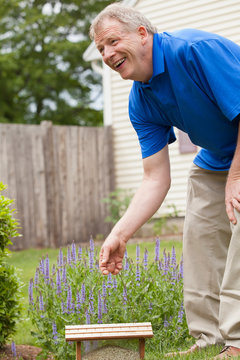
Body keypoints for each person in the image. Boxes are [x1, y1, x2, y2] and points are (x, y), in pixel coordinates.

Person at [89, 3, 240, 359]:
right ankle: (208, 340)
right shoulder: (141, 100)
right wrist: (120, 233)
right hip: (215, 159)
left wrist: (237, 176)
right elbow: (155, 177)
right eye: (101, 49)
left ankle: (238, 340)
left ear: (142, 34)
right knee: (201, 239)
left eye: (112, 41)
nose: (108, 54)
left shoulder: (194, 52)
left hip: (236, 161)